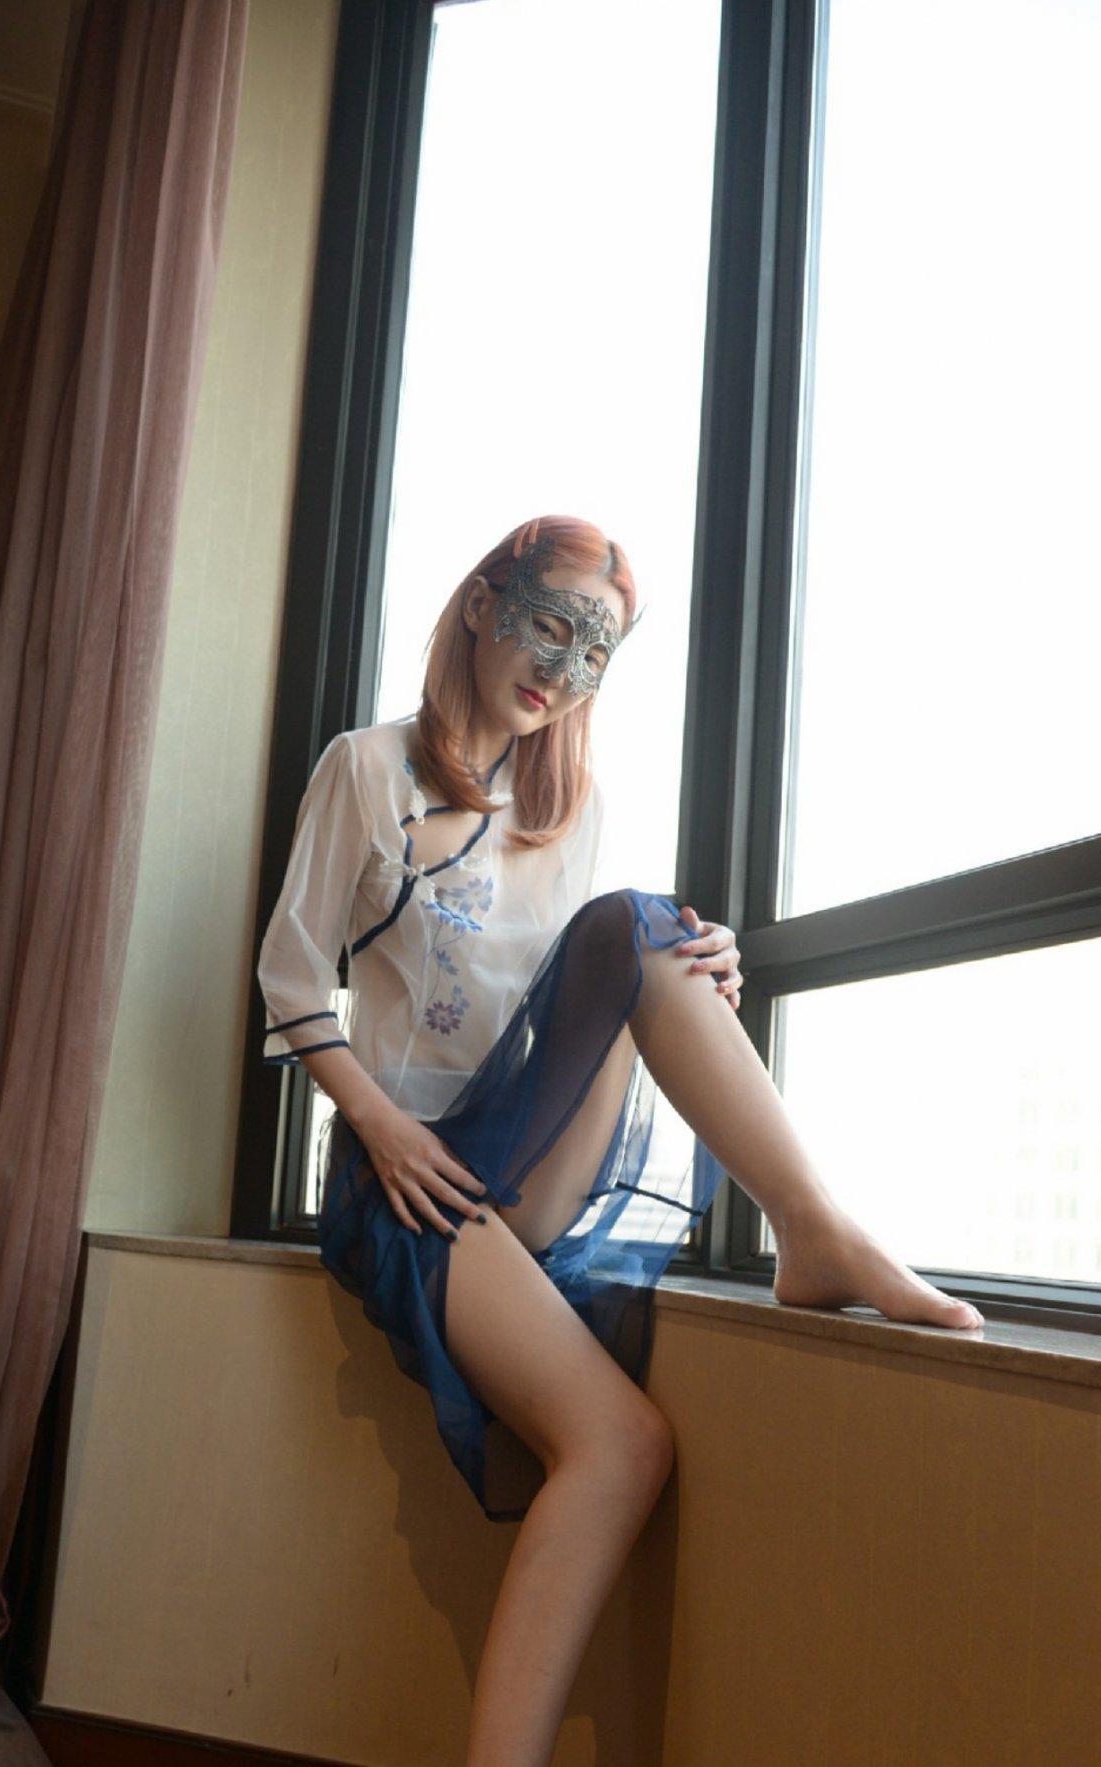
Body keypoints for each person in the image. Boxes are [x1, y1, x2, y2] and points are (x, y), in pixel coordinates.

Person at [256, 514, 982, 1767]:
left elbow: (565, 1006)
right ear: (481, 602)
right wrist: (376, 1129)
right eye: (551, 624)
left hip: (519, 1155)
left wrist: (694, 964)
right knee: (623, 1445)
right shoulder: (366, 770)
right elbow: (286, 981)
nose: (564, 669)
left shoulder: (571, 806)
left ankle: (812, 1228)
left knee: (642, 925)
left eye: (595, 652)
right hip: (405, 1177)